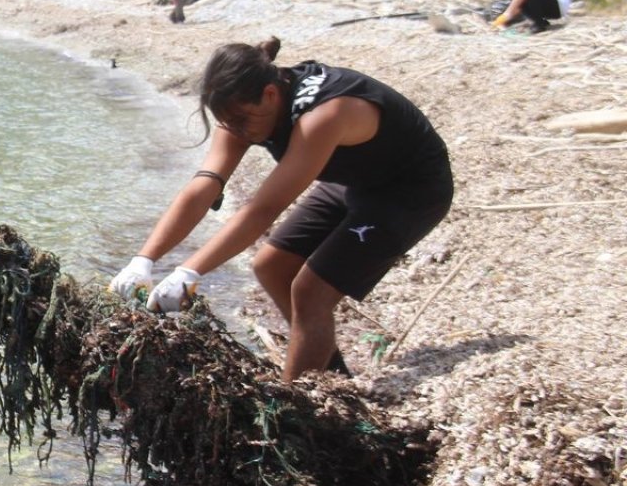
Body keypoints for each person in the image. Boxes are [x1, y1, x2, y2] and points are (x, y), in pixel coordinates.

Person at [109, 36, 452, 383]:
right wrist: (143, 260)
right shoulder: (241, 109)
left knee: (310, 291)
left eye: (241, 121)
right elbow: (205, 184)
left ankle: (297, 402)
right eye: (228, 123)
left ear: (271, 95)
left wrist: (189, 273)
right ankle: (328, 373)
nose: (237, 131)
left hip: (410, 189)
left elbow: (263, 210)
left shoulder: (323, 114)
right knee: (271, 265)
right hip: (353, 179)